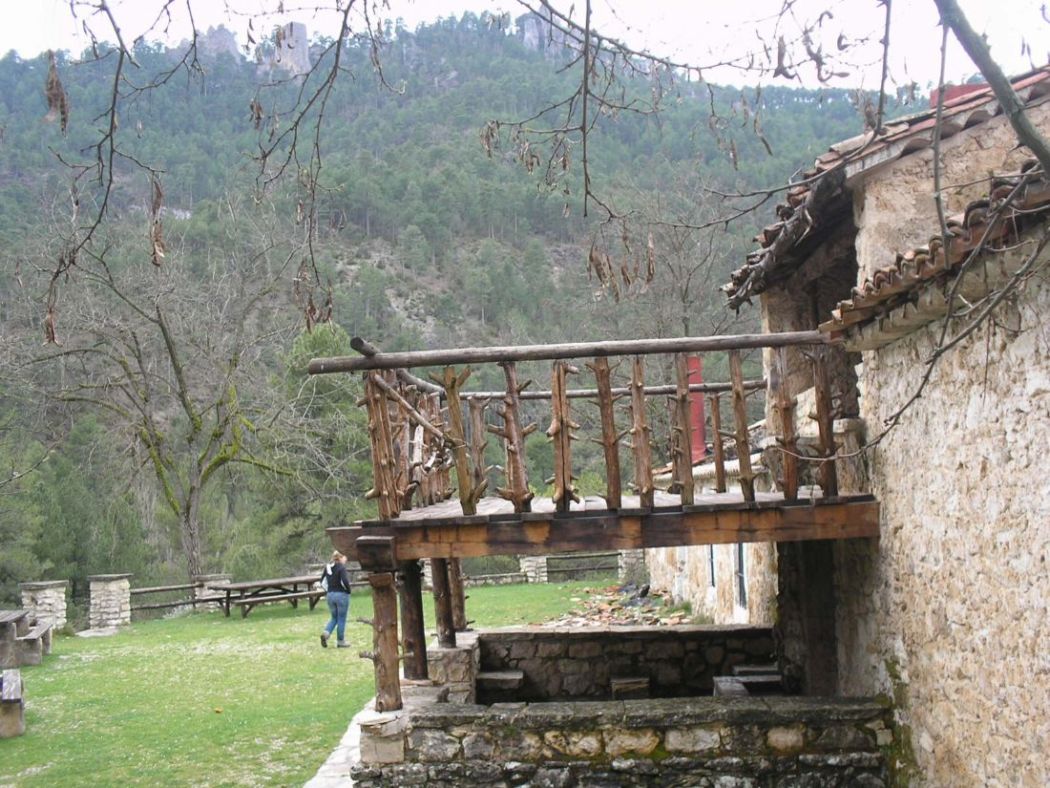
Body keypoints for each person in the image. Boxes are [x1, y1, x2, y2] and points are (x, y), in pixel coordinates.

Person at [320, 551, 352, 648]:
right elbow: (344, 581)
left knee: (334, 618)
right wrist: (348, 590)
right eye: (345, 557)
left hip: (330, 595)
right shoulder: (341, 567)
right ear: (340, 557)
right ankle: (340, 641)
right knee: (341, 618)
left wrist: (328, 590)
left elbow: (322, 581)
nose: (346, 559)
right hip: (341, 595)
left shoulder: (328, 567)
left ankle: (326, 633)